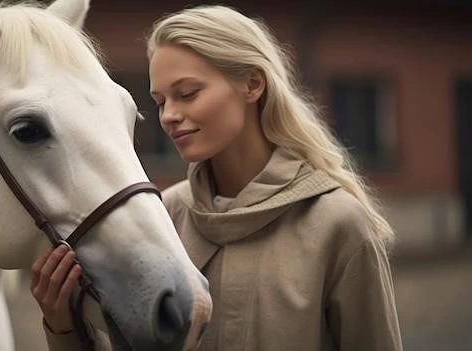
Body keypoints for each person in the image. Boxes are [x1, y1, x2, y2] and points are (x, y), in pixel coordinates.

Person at [32, 4, 403, 350]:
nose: (169, 116)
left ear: (253, 84)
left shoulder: (338, 224)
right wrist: (63, 328)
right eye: (160, 101)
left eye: (187, 94)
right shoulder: (166, 215)